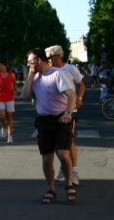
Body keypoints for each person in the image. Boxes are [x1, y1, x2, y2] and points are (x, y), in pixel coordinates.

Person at [21, 48, 77, 204]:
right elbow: (24, 95)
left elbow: (71, 95)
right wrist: (31, 75)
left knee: (64, 155)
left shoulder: (56, 74)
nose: (28, 65)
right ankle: (51, 189)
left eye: (30, 62)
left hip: (61, 119)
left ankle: (69, 184)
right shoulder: (35, 77)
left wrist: (68, 113)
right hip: (44, 121)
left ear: (38, 60)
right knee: (47, 158)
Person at [45, 45, 86, 186]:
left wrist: (79, 98)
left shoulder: (71, 69)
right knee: (57, 143)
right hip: (53, 111)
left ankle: (73, 171)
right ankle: (64, 167)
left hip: (68, 110)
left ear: (57, 56)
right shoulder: (48, 70)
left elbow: (81, 85)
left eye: (49, 57)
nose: (47, 60)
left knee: (69, 142)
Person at [0, 60, 17, 143]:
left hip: (9, 97)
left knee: (9, 116)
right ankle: (3, 128)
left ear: (5, 65)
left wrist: (15, 90)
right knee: (2, 116)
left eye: (0, 65)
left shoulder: (12, 75)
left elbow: (15, 83)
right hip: (0, 98)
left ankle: (10, 136)